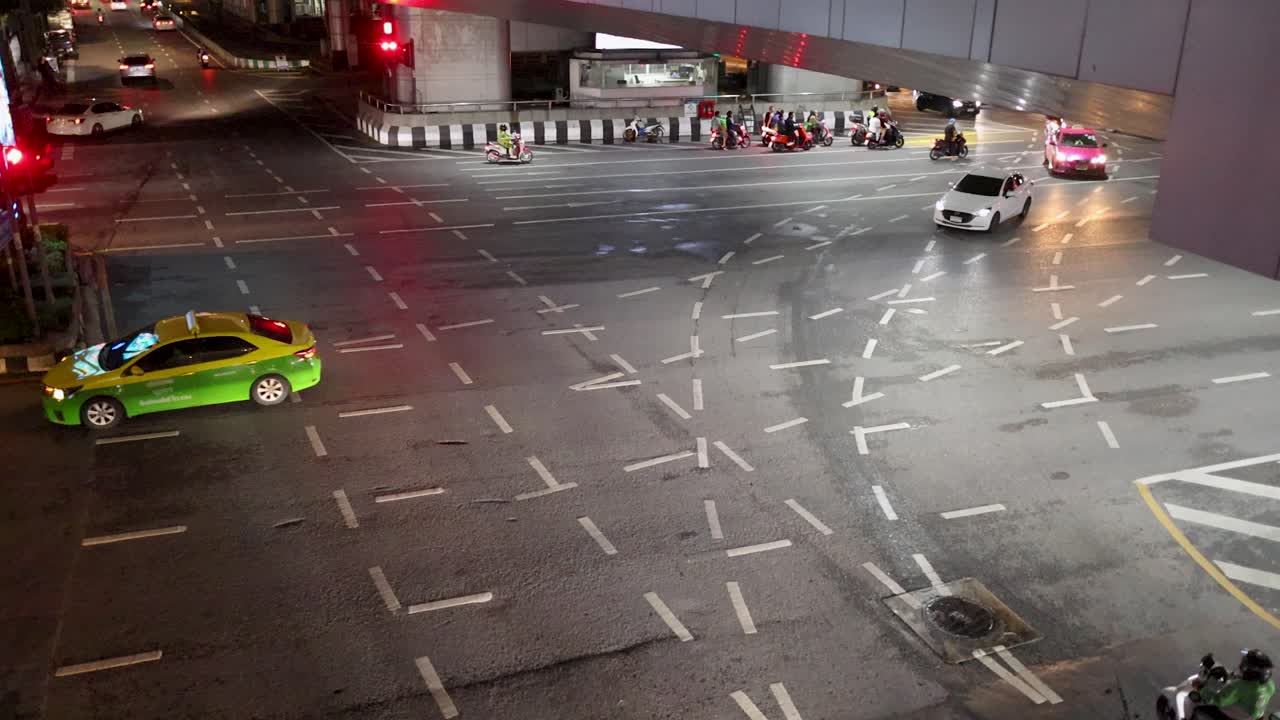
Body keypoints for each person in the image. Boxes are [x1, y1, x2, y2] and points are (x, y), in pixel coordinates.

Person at [1195, 650, 1274, 720]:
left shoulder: (1240, 686)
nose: (1242, 666)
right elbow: (1249, 684)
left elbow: (1219, 700)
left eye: (1245, 666)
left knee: (1198, 709)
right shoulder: (1270, 685)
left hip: (1234, 717)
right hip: (1256, 716)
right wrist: (1233, 675)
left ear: (1252, 673)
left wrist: (1201, 688)